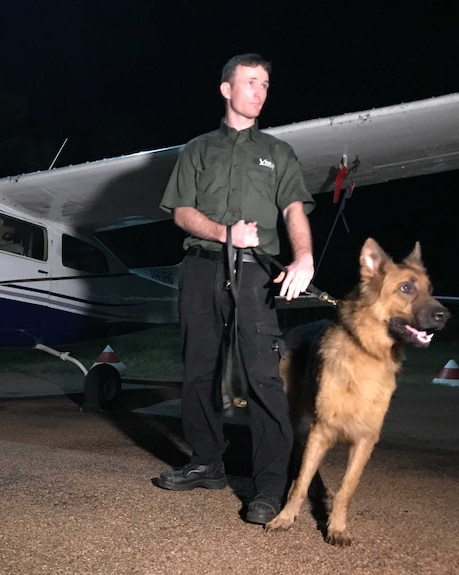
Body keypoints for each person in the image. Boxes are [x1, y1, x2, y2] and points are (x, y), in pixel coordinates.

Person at [156, 53, 315, 525]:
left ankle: (269, 488)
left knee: (263, 377)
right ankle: (207, 462)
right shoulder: (198, 149)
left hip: (254, 273)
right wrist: (225, 234)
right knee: (198, 371)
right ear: (226, 89)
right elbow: (181, 212)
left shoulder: (278, 151)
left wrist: (303, 256)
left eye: (265, 84)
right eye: (250, 82)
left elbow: (293, 211)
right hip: (202, 268)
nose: (260, 91)